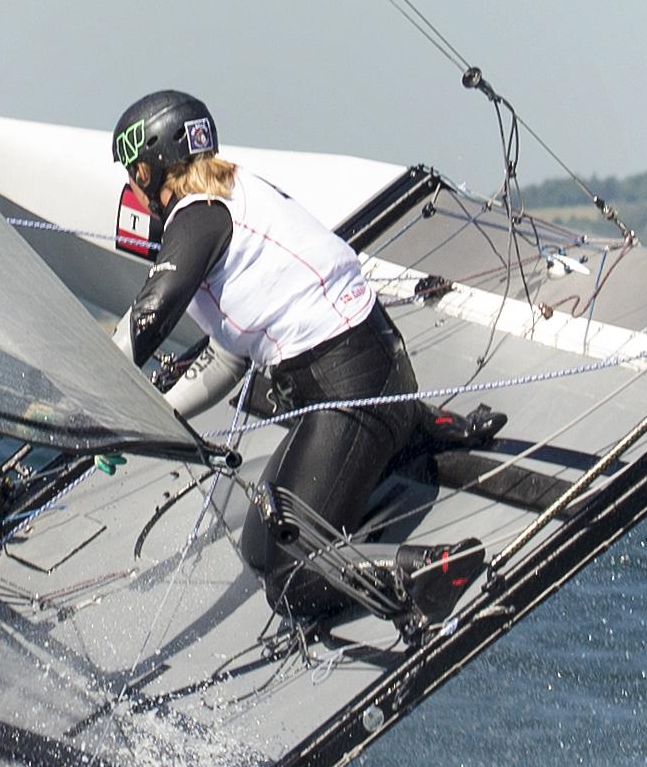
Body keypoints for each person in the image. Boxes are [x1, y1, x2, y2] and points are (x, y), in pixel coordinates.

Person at [109, 90, 481, 623]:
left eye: (134, 172)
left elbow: (148, 317)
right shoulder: (230, 195)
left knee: (289, 585)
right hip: (368, 378)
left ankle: (422, 572)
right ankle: (416, 423)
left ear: (153, 169)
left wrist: (95, 402)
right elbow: (227, 359)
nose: (132, 186)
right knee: (261, 546)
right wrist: (146, 418)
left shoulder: (196, 219)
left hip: (351, 392)